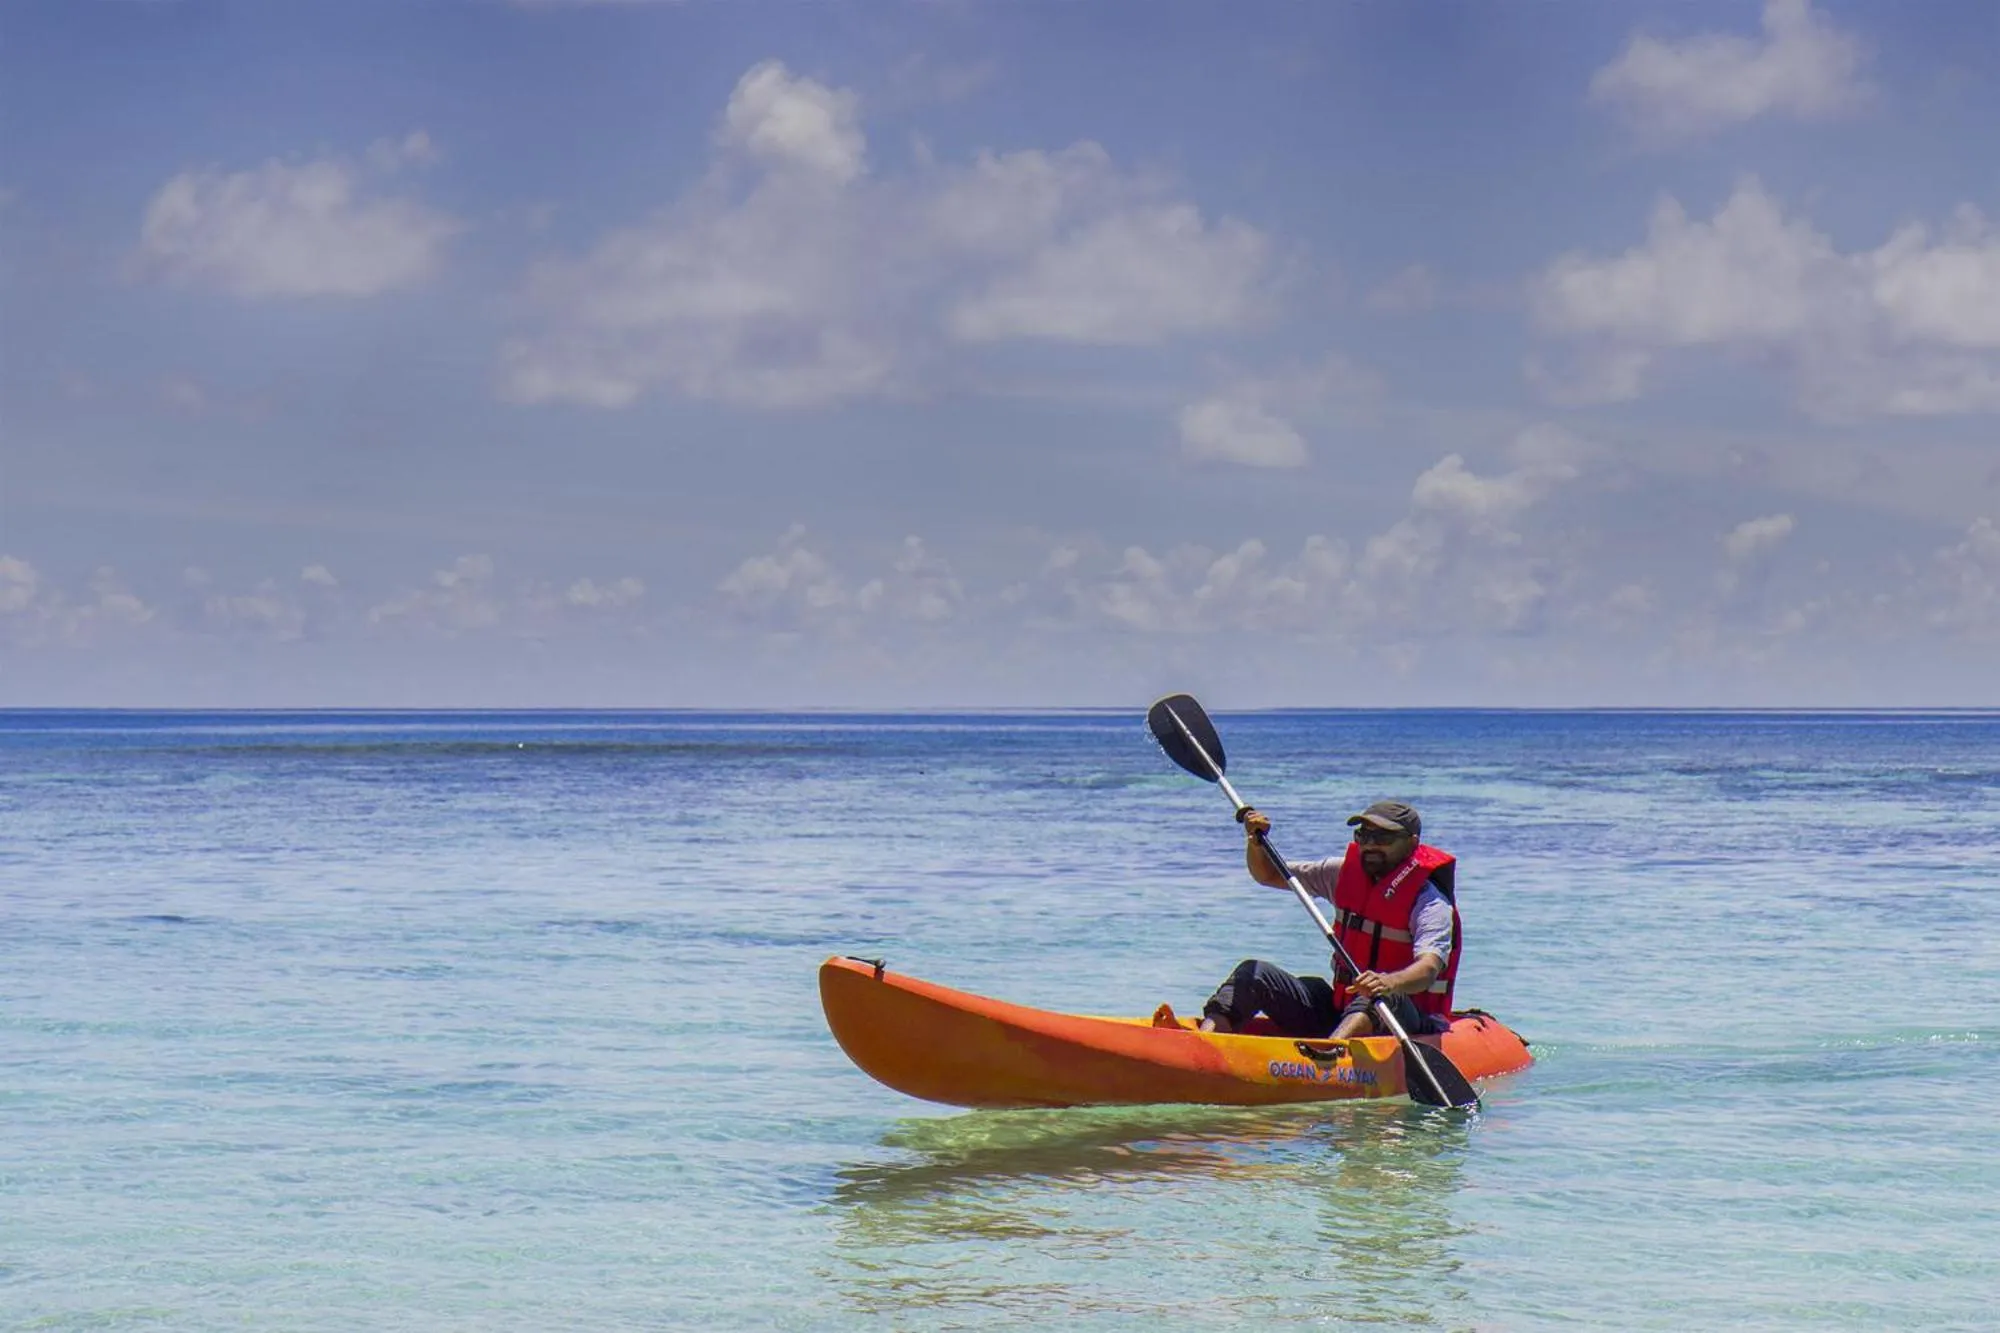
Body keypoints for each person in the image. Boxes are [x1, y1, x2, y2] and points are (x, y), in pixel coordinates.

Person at [1197, 800, 1461, 1041]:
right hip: (1342, 1007)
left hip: (1403, 1016)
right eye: (1363, 835)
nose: (1369, 844)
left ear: (1412, 843)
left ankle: (1328, 1057)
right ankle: (1205, 1044)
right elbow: (1268, 874)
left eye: (1382, 837)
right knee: (1254, 974)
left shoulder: (1429, 902)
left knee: (1375, 997)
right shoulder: (1339, 873)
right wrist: (1255, 844)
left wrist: (1388, 982)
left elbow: (1428, 969)